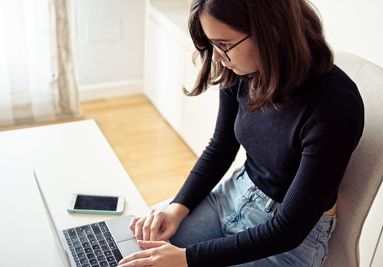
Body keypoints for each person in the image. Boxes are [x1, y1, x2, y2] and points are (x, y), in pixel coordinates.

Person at [118, 0, 364, 266]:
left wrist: (188, 259)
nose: (215, 57)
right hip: (236, 193)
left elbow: (289, 230)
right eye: (211, 44)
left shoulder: (335, 105)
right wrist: (178, 208)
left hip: (288, 238)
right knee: (136, 249)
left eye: (223, 45)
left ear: (272, 31)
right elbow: (221, 147)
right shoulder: (242, 69)